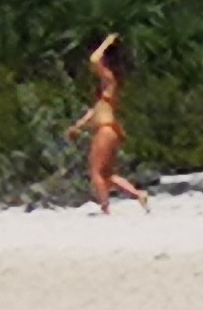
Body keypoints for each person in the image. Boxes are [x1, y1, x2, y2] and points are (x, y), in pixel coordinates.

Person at [64, 33, 149, 213]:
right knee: (107, 174)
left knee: (95, 172)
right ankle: (138, 194)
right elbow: (94, 111)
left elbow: (94, 59)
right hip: (109, 129)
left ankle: (105, 208)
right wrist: (78, 126)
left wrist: (106, 43)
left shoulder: (110, 80)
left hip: (106, 129)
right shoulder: (106, 89)